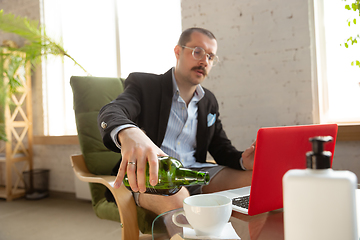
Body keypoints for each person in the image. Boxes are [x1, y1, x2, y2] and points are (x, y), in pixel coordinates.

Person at [98, 27, 256, 215]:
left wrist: (243, 161)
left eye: (210, 57)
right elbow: (113, 111)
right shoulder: (145, 85)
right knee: (179, 200)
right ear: (178, 51)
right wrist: (130, 132)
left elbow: (220, 148)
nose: (204, 61)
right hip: (153, 175)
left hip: (195, 173)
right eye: (198, 52)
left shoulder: (209, 101)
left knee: (256, 181)